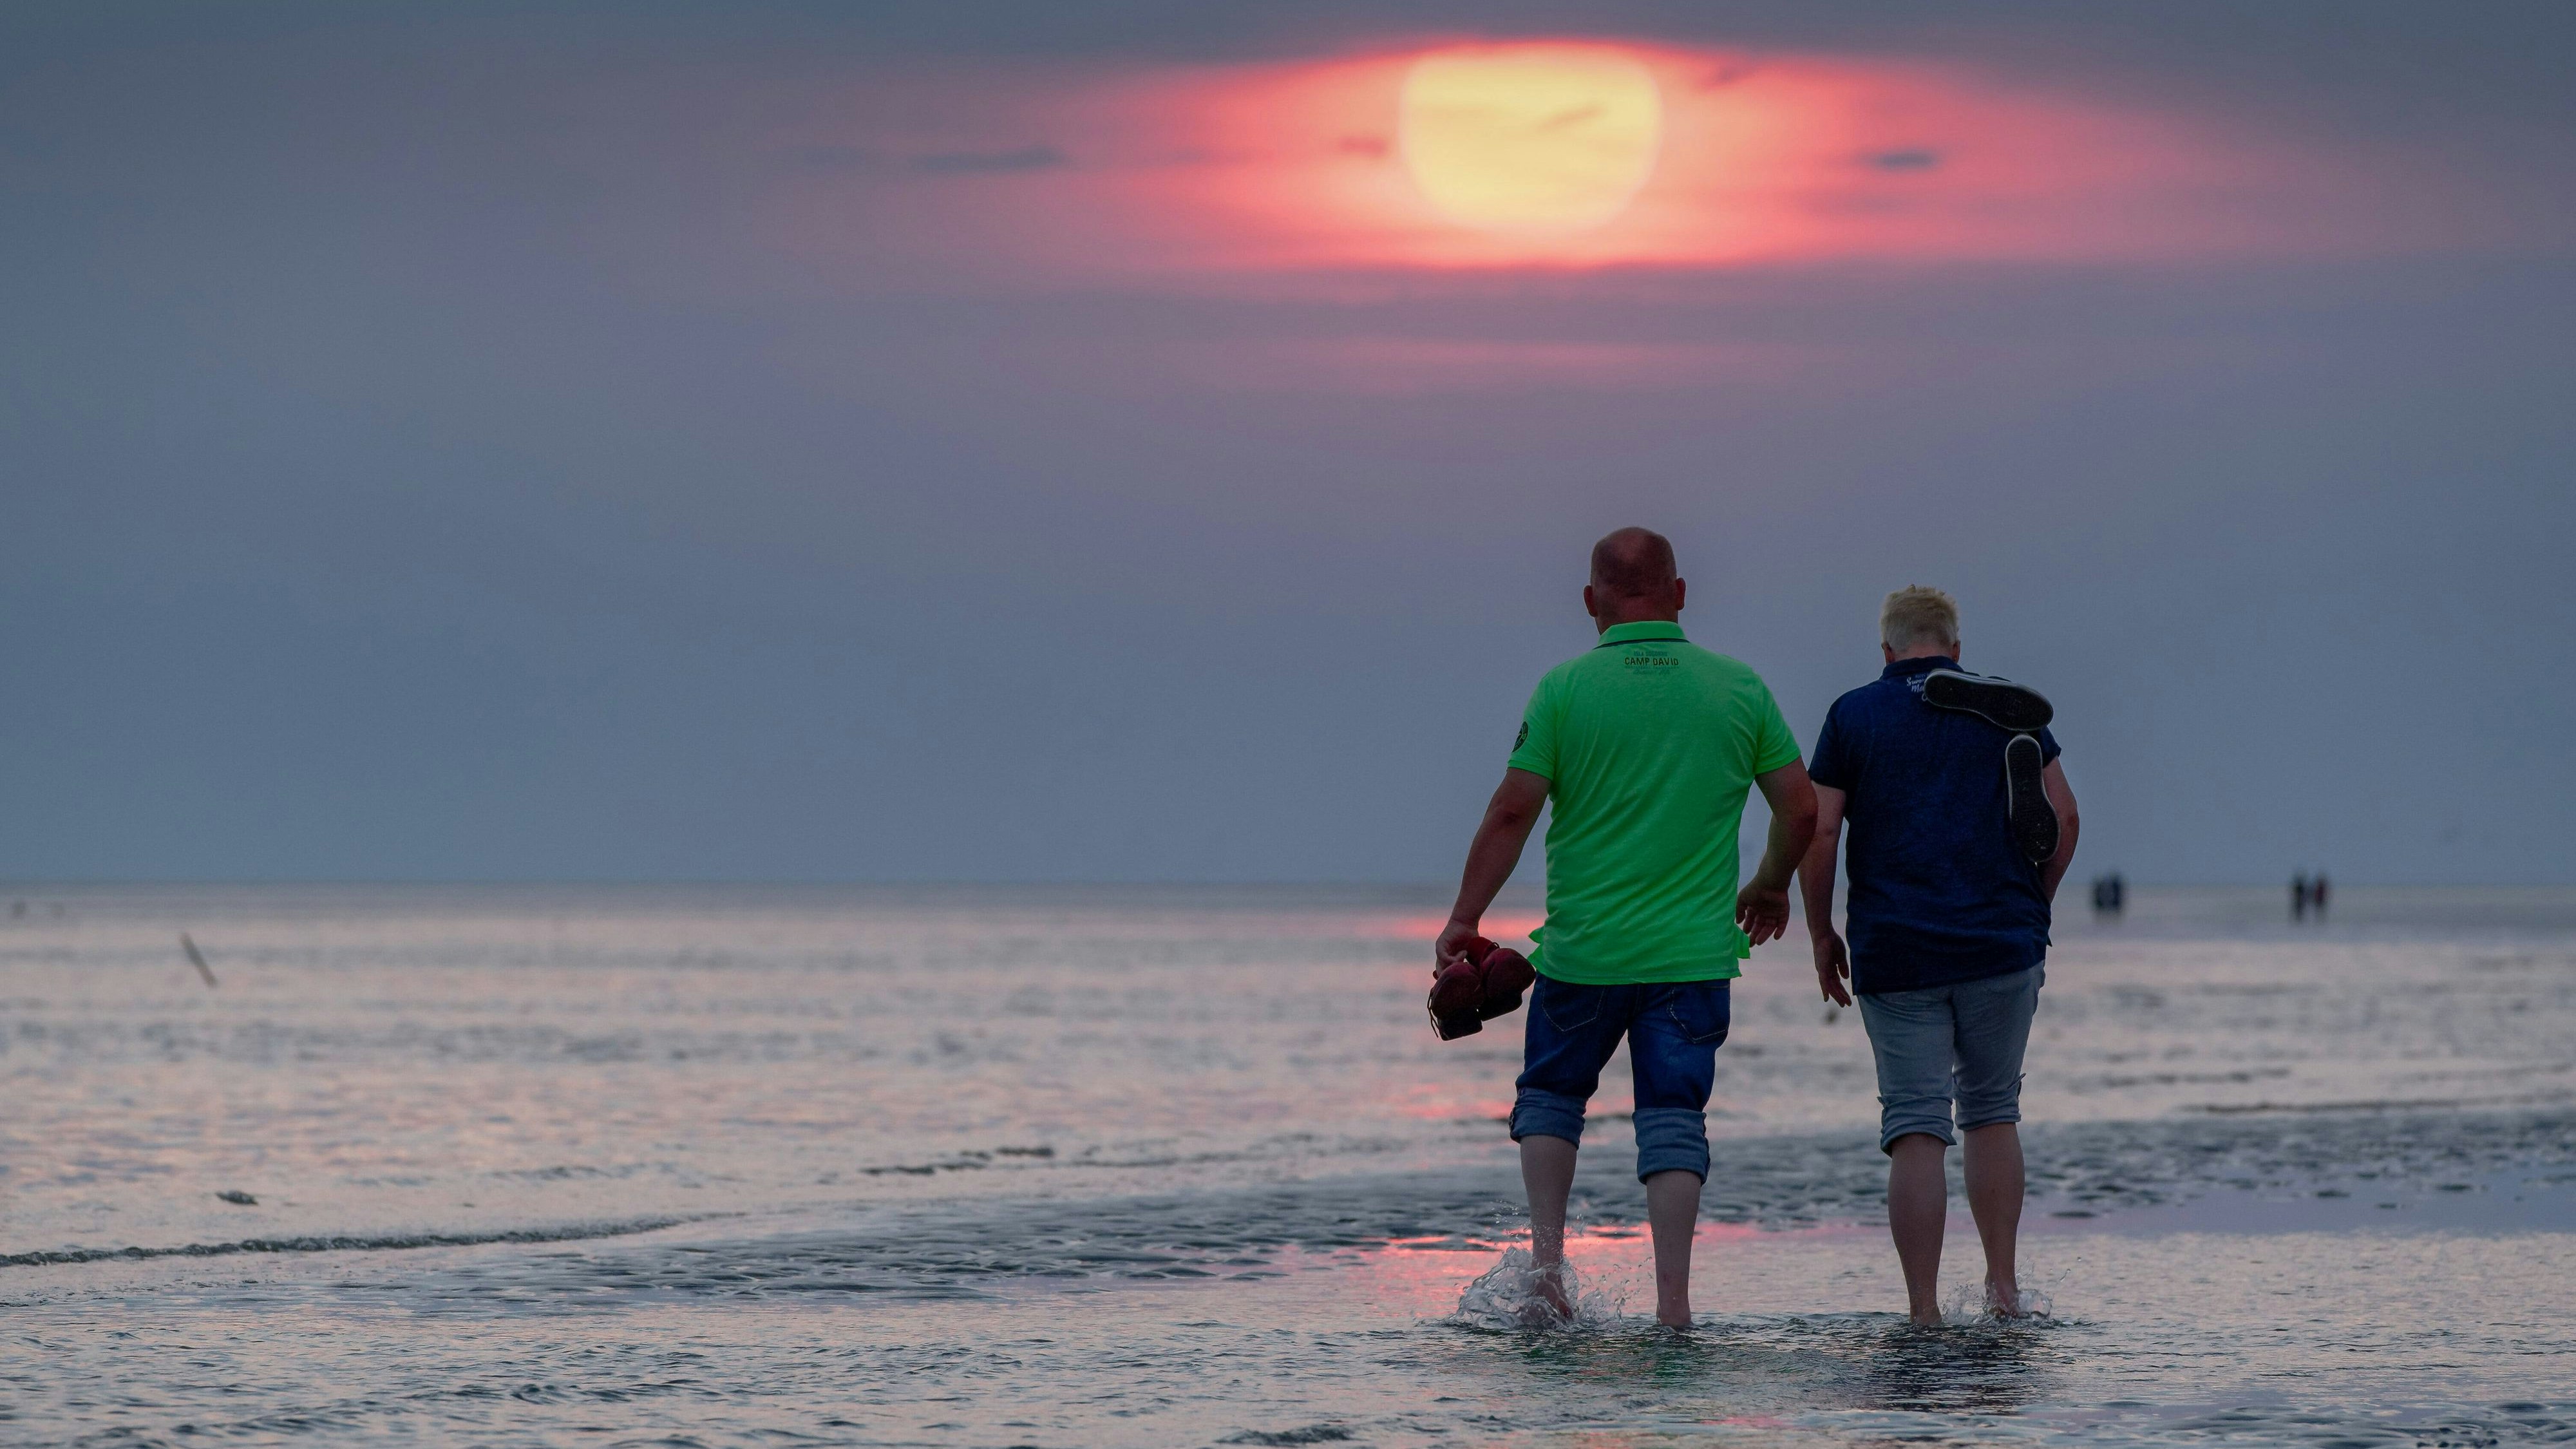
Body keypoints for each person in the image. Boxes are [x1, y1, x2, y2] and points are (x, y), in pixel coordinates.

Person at [1437, 527, 1817, 1329]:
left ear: (1590, 601)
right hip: (1691, 955)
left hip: (1584, 950)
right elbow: (1802, 807)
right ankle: (1674, 1307)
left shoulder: (1564, 689)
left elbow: (1511, 811)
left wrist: (1465, 917)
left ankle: (1546, 1276)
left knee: (1551, 1098)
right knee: (1673, 1116)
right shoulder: (1738, 687)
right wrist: (1771, 884)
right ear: (1678, 593)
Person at [1797, 586, 2079, 1325]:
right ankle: (2003, 1293)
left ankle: (1923, 1311)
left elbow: (1819, 831)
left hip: (1896, 948)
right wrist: (2035, 906)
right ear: (1955, 649)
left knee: (1916, 1124)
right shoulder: (2009, 709)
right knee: (1992, 1109)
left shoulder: (1852, 714)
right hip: (2001, 941)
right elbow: (2065, 817)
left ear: (1886, 651)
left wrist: (1820, 931)